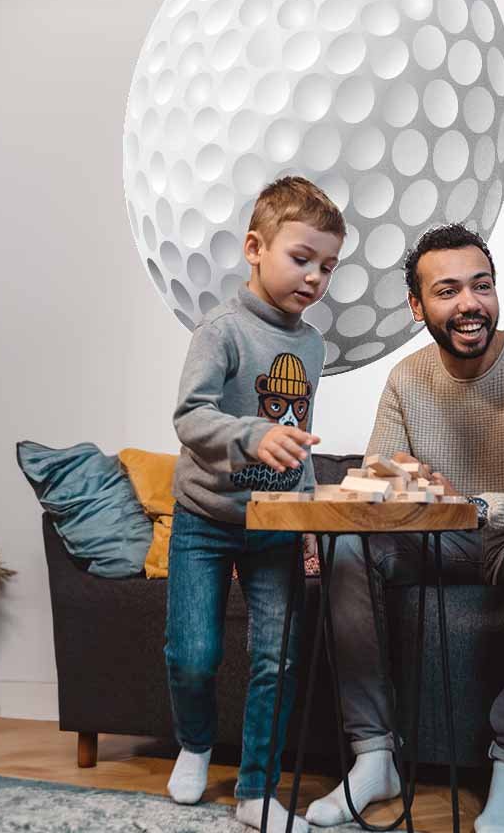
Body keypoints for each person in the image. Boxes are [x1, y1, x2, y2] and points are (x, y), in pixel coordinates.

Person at [305, 224, 504, 833]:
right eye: (448, 290)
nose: (468, 305)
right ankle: (374, 756)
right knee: (348, 543)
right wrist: (397, 478)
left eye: (481, 286)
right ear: (417, 306)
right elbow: (376, 486)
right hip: (434, 540)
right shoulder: (406, 380)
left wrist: (478, 507)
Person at [165, 176, 345, 832]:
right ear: (254, 247)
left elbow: (294, 433)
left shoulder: (313, 346)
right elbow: (190, 418)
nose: (315, 277)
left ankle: (255, 792)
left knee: (279, 657)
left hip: (277, 527)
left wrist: (305, 499)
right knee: (193, 653)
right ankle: (194, 742)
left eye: (327, 266)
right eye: (302, 258)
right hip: (205, 523)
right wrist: (251, 436)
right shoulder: (220, 333)